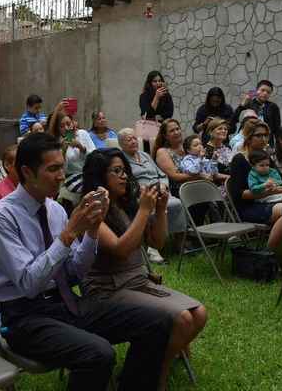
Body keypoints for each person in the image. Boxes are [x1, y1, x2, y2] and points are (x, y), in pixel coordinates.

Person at [0, 132, 173, 391]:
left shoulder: (55, 210)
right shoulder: (1, 217)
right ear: (26, 172)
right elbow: (29, 284)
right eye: (53, 168)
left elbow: (72, 274)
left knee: (158, 321)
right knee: (98, 354)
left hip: (65, 304)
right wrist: (69, 234)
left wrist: (92, 230)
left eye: (62, 166)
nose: (62, 175)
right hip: (23, 319)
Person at [81, 149, 207, 389]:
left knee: (199, 313)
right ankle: (157, 373)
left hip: (138, 281)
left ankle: (159, 364)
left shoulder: (127, 204)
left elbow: (157, 242)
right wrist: (143, 211)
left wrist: (159, 210)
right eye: (116, 171)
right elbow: (121, 249)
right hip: (107, 289)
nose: (124, 177)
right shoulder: (92, 209)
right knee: (181, 319)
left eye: (125, 171)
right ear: (99, 176)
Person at [118, 128, 187, 263]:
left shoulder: (145, 155)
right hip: (140, 194)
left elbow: (161, 174)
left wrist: (163, 184)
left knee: (177, 203)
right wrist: (141, 189)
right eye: (129, 139)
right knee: (152, 206)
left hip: (159, 189)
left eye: (134, 138)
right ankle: (152, 248)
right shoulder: (121, 160)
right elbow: (126, 181)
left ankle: (179, 243)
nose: (133, 141)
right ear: (121, 144)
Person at [228, 121, 282, 248]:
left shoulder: (265, 157)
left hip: (270, 200)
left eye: (266, 135)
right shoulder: (239, 160)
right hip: (249, 208)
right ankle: (269, 252)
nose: (264, 139)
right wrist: (271, 191)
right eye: (259, 135)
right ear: (248, 138)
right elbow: (239, 195)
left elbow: (279, 179)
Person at [48, 109, 96, 202]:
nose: (66, 128)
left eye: (68, 124)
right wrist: (64, 151)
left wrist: (81, 148)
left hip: (89, 172)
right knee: (90, 186)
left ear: (73, 123)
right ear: (58, 129)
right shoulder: (58, 143)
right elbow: (63, 170)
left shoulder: (82, 134)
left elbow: (95, 156)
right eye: (62, 126)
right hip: (72, 176)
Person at [153, 119, 200, 197]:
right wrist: (199, 176)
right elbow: (175, 177)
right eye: (172, 131)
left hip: (196, 184)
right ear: (165, 136)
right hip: (179, 190)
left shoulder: (187, 147)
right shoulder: (162, 152)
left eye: (177, 129)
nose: (176, 132)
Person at [233, 80, 281, 144]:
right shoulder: (249, 103)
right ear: (256, 91)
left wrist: (277, 145)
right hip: (248, 140)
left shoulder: (273, 107)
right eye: (262, 90)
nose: (265, 93)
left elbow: (277, 128)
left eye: (268, 92)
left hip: (266, 141)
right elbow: (234, 119)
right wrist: (243, 104)